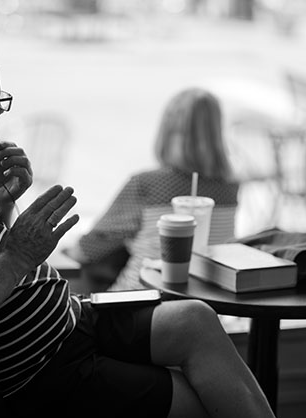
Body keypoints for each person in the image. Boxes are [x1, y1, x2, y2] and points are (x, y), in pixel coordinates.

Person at [0, 36, 279, 418]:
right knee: (208, 404)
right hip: (42, 381)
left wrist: (0, 206)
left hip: (68, 327)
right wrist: (20, 253)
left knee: (195, 318)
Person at [69, 87, 240, 291]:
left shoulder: (147, 184)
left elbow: (87, 250)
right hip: (204, 300)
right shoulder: (231, 187)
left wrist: (67, 252)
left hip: (138, 299)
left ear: (168, 130)